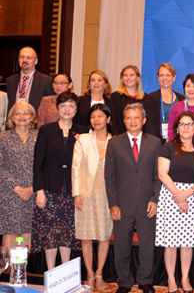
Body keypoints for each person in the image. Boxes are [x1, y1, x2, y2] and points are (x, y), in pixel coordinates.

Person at [105, 103, 161, 293]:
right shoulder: (114, 143)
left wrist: (155, 199)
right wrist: (113, 204)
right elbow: (109, 177)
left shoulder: (155, 142)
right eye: (129, 117)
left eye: (136, 117)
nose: (133, 121)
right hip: (122, 204)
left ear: (144, 120)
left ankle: (146, 280)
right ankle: (124, 282)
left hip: (147, 204)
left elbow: (158, 175)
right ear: (124, 121)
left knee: (147, 246)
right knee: (121, 246)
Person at [32, 91, 87, 269]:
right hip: (50, 188)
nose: (67, 109)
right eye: (63, 105)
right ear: (57, 108)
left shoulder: (83, 131)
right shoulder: (46, 130)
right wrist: (39, 191)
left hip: (73, 189)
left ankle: (65, 271)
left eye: (71, 106)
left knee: (67, 231)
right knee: (50, 231)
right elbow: (38, 163)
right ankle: (51, 272)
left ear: (76, 109)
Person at [156, 111, 194, 293]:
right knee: (171, 243)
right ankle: (171, 280)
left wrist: (188, 193)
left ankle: (185, 278)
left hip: (193, 197)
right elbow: (162, 174)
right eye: (182, 124)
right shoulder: (168, 147)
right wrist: (178, 196)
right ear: (176, 128)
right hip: (171, 196)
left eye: (190, 124)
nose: (186, 127)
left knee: (187, 242)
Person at [71, 104, 114, 290]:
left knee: (104, 236)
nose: (96, 120)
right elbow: (76, 167)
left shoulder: (116, 141)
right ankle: (89, 274)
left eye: (100, 116)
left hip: (107, 195)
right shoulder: (83, 139)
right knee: (86, 236)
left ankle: (99, 273)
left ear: (108, 119)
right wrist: (77, 193)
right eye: (93, 117)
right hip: (86, 194)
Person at [0, 102, 38, 247]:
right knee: (10, 233)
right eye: (17, 113)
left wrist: (33, 188)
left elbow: (45, 165)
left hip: (33, 192)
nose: (22, 116)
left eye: (26, 113)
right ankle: (8, 264)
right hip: (9, 193)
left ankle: (24, 264)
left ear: (32, 117)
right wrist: (15, 187)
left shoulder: (40, 136)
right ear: (12, 117)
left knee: (28, 234)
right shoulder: (3, 137)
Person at [109, 65, 154, 135]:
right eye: (125, 75)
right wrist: (117, 138)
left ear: (138, 78)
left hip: (142, 138)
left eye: (131, 75)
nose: (128, 78)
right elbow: (113, 120)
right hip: (121, 137)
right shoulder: (115, 97)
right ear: (122, 79)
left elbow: (149, 122)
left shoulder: (146, 98)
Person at [6, 46, 54, 111]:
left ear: (36, 61)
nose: (24, 60)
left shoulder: (46, 81)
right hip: (16, 116)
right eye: (22, 57)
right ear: (18, 60)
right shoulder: (10, 80)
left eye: (29, 58)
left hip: (35, 117)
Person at [147, 63, 185, 143]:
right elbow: (149, 123)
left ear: (174, 77)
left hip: (177, 140)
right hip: (157, 141)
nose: (165, 78)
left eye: (168, 75)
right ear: (158, 77)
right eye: (161, 75)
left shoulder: (180, 98)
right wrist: (154, 142)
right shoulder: (152, 97)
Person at [167, 73, 194, 140]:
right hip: (180, 144)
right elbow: (171, 130)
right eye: (188, 86)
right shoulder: (176, 107)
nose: (190, 89)